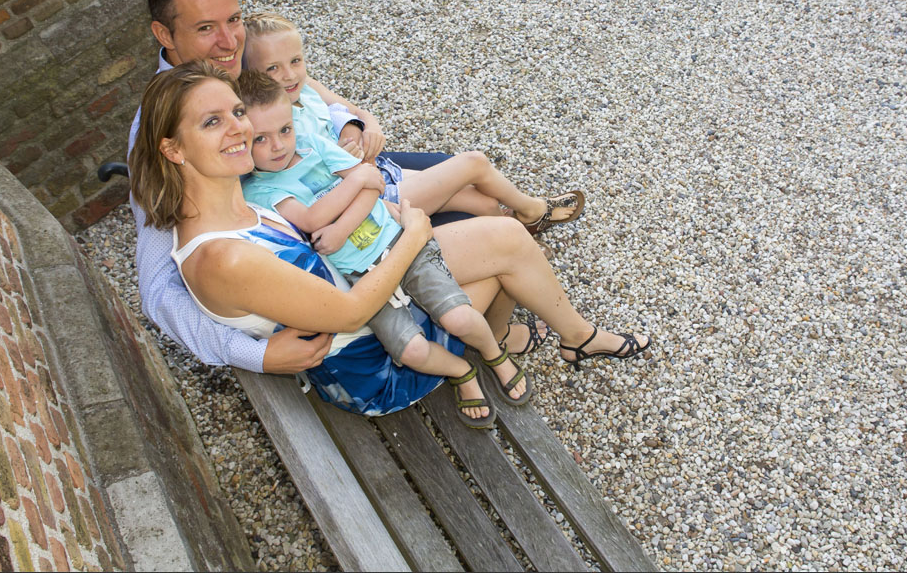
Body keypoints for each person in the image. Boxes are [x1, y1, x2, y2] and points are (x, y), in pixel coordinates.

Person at [129, 62, 651, 415]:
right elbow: (350, 312)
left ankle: (552, 336)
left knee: (507, 236)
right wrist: (415, 234)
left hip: (370, 286)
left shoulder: (233, 203)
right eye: (212, 122)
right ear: (173, 150)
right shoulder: (223, 256)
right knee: (505, 257)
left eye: (237, 112)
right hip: (377, 362)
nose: (239, 129)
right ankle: (539, 340)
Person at [130, 0, 555, 374]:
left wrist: (355, 122)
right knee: (476, 216)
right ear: (164, 34)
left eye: (234, 19)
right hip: (328, 222)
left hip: (333, 168)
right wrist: (251, 353)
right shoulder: (162, 131)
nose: (229, 41)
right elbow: (157, 288)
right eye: (206, 28)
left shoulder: (238, 60)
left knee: (468, 186)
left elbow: (316, 95)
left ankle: (503, 282)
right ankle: (494, 320)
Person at [236, 69, 529, 427]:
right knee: (411, 350)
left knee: (459, 316)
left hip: (399, 241)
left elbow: (374, 184)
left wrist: (343, 223)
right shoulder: (259, 190)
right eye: (261, 139)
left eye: (285, 130)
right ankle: (462, 371)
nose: (278, 145)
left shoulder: (312, 144)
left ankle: (495, 355)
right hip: (363, 279)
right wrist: (357, 181)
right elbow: (311, 220)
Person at [242, 10, 587, 232]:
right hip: (367, 195)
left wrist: (365, 126)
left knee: (481, 201)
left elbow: (357, 113)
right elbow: (315, 175)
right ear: (252, 77)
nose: (289, 74)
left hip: (377, 171)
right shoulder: (278, 123)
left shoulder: (305, 88)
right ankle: (534, 211)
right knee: (475, 163)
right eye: (272, 69)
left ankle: (517, 234)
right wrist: (351, 156)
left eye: (296, 61)